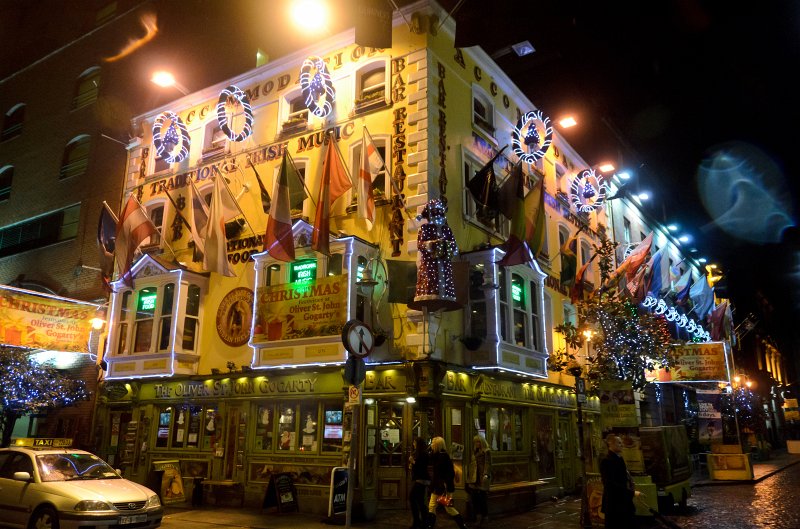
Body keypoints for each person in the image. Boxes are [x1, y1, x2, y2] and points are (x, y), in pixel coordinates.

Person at [600, 433, 642, 528]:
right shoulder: (606, 461)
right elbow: (610, 484)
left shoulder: (619, 458)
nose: (622, 445)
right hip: (614, 504)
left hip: (623, 502)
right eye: (619, 443)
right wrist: (632, 493)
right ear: (610, 444)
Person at [427, 436, 467, 529]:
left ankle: (430, 526)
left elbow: (447, 473)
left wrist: (443, 484)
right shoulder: (440, 455)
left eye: (433, 443)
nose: (431, 445)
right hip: (443, 486)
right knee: (447, 507)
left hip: (441, 487)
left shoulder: (442, 457)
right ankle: (462, 525)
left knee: (433, 505)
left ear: (437, 445)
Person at [465, 434, 492, 526]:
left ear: (482, 442)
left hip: (481, 478)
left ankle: (484, 517)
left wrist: (486, 474)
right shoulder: (474, 451)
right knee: (474, 498)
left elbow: (488, 464)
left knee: (482, 498)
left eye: (478, 442)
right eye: (475, 442)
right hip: (474, 478)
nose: (476, 444)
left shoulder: (486, 451)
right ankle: (477, 517)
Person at [409, 437, 431, 529]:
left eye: (414, 442)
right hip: (419, 479)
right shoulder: (418, 453)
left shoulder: (424, 454)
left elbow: (421, 466)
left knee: (413, 498)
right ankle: (421, 521)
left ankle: (420, 521)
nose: (413, 444)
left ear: (419, 444)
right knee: (420, 501)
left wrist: (413, 462)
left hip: (422, 480)